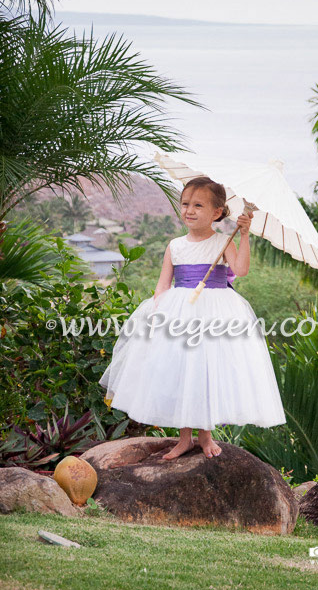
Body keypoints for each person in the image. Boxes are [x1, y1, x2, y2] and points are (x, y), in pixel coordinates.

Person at [99, 176, 286, 460]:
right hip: (179, 312)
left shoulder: (224, 241)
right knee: (181, 372)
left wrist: (244, 236)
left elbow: (241, 269)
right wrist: (158, 310)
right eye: (185, 203)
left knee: (207, 371)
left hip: (216, 316)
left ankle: (206, 436)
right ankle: (184, 438)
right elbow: (163, 284)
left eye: (198, 205)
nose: (189, 210)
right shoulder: (175, 245)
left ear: (217, 213)